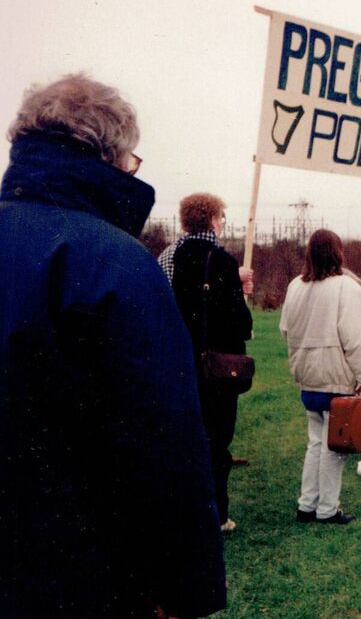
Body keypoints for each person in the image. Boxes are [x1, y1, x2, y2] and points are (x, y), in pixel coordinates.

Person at [1, 74, 225, 616]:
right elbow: (161, 438)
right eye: (130, 159)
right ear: (108, 155)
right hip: (77, 574)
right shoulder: (114, 261)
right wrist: (180, 589)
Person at [170, 193, 254, 534]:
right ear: (214, 220)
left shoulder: (171, 255)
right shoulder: (220, 260)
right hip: (217, 368)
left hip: (181, 361)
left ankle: (186, 510)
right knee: (218, 440)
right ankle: (217, 515)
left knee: (189, 438)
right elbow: (240, 323)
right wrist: (238, 285)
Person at [281, 230, 361, 525]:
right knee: (334, 448)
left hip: (307, 376)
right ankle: (327, 509)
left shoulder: (296, 286)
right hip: (336, 377)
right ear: (338, 252)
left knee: (316, 443)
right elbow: (357, 337)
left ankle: (307, 504)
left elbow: (285, 329)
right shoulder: (346, 287)